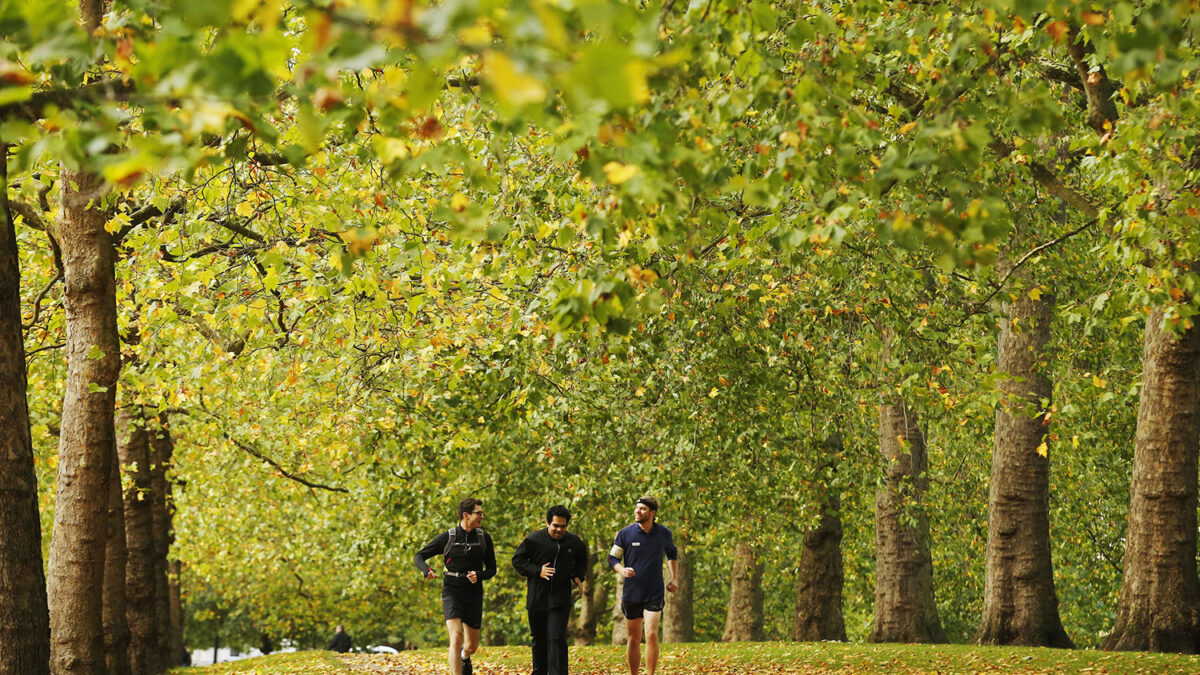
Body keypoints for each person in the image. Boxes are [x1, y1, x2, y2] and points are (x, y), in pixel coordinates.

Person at [414, 497, 497, 675]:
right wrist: (426, 570)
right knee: (456, 636)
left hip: (474, 594)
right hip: (452, 591)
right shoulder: (449, 537)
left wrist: (479, 575)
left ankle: (465, 657)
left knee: (471, 646)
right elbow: (419, 556)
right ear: (466, 515)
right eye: (479, 513)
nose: (482, 516)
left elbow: (492, 569)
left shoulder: (484, 538)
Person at [511, 505, 589, 675]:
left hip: (560, 598)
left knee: (556, 638)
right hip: (537, 598)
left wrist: (578, 576)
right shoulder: (534, 540)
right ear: (547, 523)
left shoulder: (574, 542)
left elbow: (582, 560)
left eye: (563, 526)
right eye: (555, 526)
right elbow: (518, 560)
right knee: (539, 640)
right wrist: (537, 570)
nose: (559, 529)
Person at [608, 496, 678, 675]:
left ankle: (650, 673)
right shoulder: (625, 533)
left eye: (642, 509)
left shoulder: (664, 533)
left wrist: (674, 578)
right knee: (634, 638)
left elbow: (671, 555)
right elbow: (613, 558)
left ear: (652, 513)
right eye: (637, 508)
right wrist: (622, 570)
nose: (637, 512)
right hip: (632, 593)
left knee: (652, 634)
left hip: (654, 592)